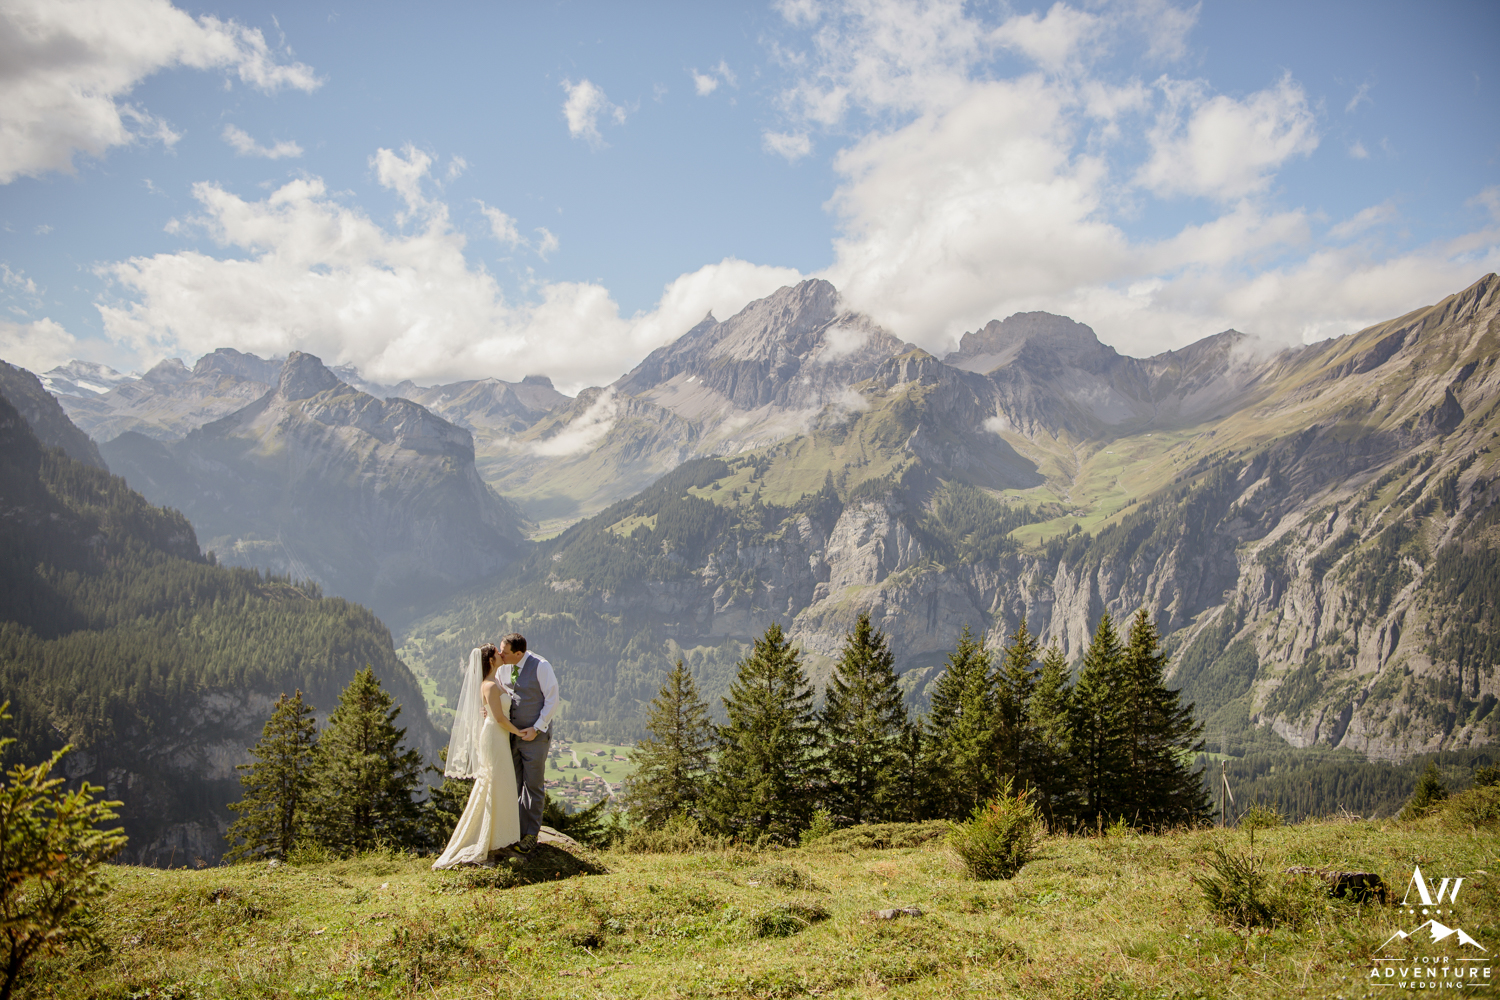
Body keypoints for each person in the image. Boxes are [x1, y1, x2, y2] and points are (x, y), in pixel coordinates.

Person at [431, 644, 523, 869]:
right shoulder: (490, 686)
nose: (501, 655)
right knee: (493, 783)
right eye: (497, 653)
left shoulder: (493, 682)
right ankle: (486, 837)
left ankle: (497, 836)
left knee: (499, 783)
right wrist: (521, 732)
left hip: (497, 736)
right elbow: (499, 718)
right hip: (495, 736)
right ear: (491, 661)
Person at [496, 632, 558, 853]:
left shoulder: (541, 666)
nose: (500, 654)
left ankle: (531, 834)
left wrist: (537, 728)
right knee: (512, 783)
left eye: (504, 651)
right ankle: (513, 830)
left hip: (535, 738)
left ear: (519, 653)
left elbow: (552, 699)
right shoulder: (503, 666)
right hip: (510, 735)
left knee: (532, 785)